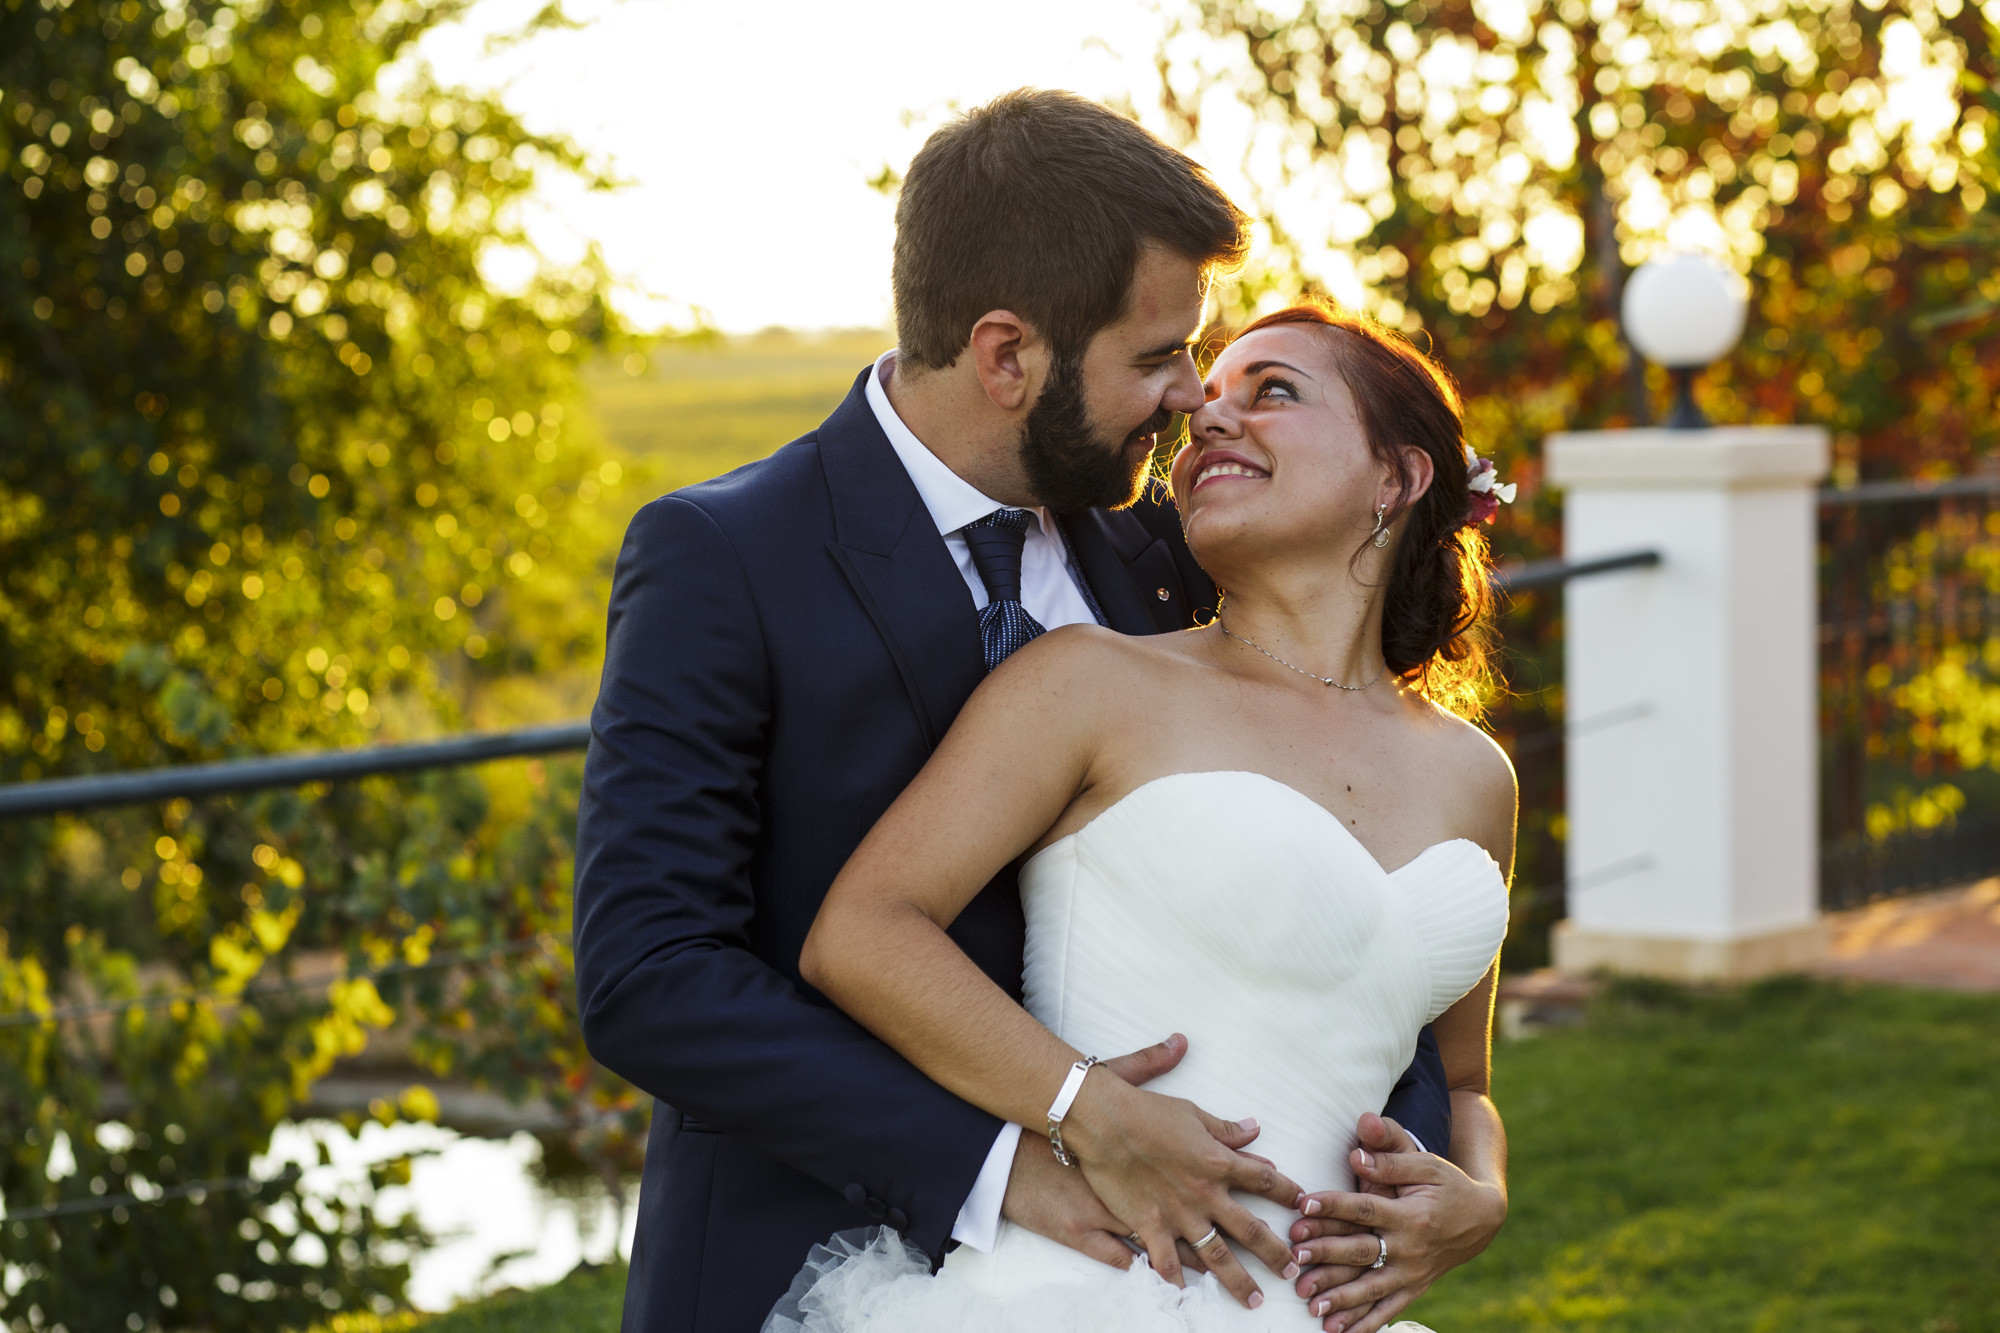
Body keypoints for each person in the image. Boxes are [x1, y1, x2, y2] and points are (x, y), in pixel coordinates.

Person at [572, 89, 1493, 1333]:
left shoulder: (1163, 555)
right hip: (816, 1260)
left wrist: (1446, 1186)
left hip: (1220, 1275)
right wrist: (1033, 1143)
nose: (1188, 402)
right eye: (1158, 356)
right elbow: (651, 975)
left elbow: (1346, 937)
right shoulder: (724, 554)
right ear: (1007, 355)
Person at [772, 300, 1517, 1332]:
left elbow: (1464, 1079)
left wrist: (1477, 1195)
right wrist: (1084, 1105)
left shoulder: (1475, 776)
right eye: (1207, 398)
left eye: (1271, 391)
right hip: (1090, 1291)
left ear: (1395, 476)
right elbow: (861, 932)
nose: (1210, 417)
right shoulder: (1089, 681)